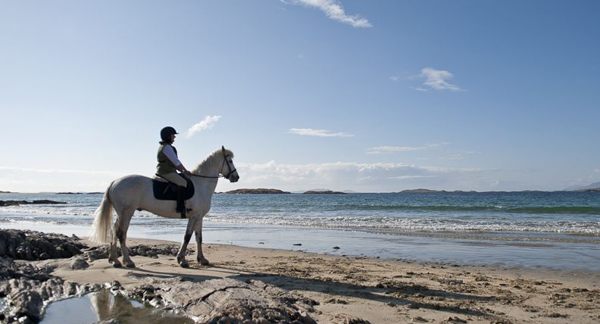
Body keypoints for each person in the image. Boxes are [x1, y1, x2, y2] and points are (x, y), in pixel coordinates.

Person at [156, 126, 192, 214]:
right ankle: (180, 208)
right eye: (173, 135)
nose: (174, 137)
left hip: (167, 170)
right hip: (166, 172)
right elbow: (176, 162)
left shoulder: (164, 146)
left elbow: (175, 163)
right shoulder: (167, 147)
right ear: (168, 136)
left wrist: (183, 171)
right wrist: (185, 170)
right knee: (183, 183)